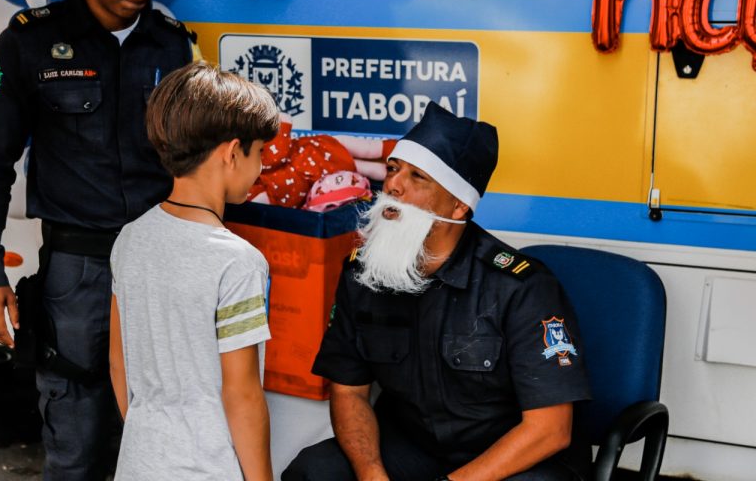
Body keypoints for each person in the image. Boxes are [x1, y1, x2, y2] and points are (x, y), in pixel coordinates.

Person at [283, 102, 592, 481]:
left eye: (418, 177)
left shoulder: (522, 286)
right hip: (414, 447)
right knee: (313, 472)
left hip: (511, 457)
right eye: (393, 169)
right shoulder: (365, 271)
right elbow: (348, 391)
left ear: (459, 205)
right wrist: (371, 472)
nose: (393, 185)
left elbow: (550, 430)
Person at [0, 0, 198, 478]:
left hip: (160, 266)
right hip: (78, 269)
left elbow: (195, 165)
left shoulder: (172, 46)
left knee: (155, 436)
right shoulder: (30, 39)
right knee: (74, 435)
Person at [109, 62, 280, 480]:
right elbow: (241, 394)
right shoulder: (237, 261)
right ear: (231, 152)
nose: (260, 168)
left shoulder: (131, 238)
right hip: (206, 468)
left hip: (139, 461)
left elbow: (119, 362)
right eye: (258, 153)